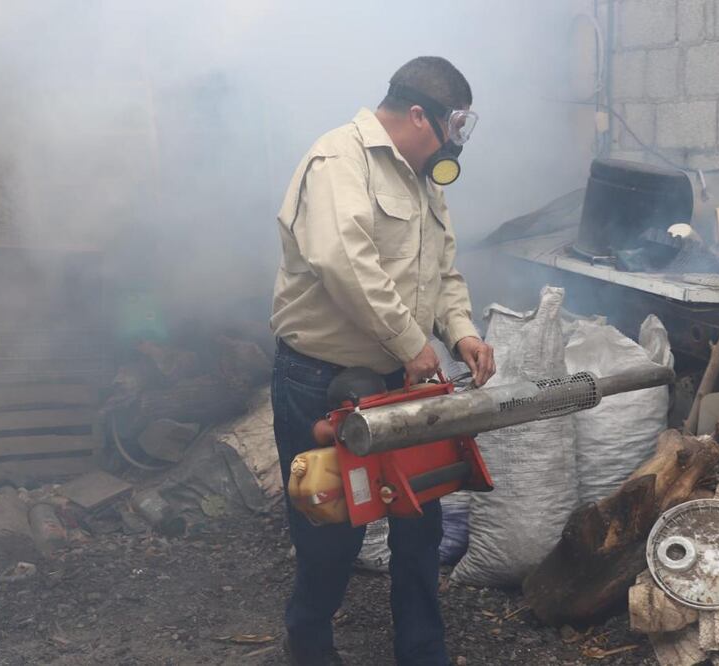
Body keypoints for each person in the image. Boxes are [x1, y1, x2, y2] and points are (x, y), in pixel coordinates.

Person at [270, 56, 496, 666]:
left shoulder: (424, 178)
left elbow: (442, 271)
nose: (455, 141)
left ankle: (422, 653)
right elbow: (346, 265)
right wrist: (413, 344)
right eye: (455, 124)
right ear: (420, 115)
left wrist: (462, 333)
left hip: (403, 377)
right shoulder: (338, 162)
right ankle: (309, 642)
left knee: (419, 521)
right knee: (330, 529)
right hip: (322, 379)